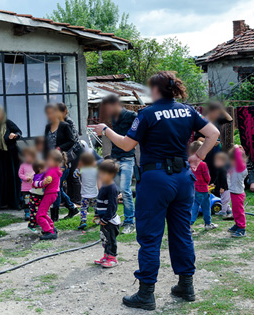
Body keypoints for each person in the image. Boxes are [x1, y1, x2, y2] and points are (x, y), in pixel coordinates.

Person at [90, 71, 219, 310]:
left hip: (156, 179)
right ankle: (186, 285)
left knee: (150, 237)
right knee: (182, 233)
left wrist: (105, 131)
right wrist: (198, 157)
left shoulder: (147, 114)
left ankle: (146, 293)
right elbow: (214, 133)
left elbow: (127, 144)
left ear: (156, 90)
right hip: (182, 179)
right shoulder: (187, 110)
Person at [101, 95, 137, 234]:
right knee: (114, 190)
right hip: (115, 157)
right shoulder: (114, 118)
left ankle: (129, 222)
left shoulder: (131, 115)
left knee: (126, 190)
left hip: (128, 158)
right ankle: (114, 218)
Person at [44, 104, 79, 219]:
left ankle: (55, 215)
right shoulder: (48, 126)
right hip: (50, 161)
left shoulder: (65, 125)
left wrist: (59, 148)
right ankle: (71, 208)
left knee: (56, 186)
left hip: (62, 160)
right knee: (55, 187)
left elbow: (72, 141)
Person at [194, 100, 233, 183]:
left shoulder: (217, 120)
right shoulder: (203, 121)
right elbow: (197, 138)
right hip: (207, 148)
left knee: (218, 167)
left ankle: (217, 186)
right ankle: (208, 184)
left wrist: (221, 109)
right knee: (208, 167)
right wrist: (211, 140)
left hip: (217, 149)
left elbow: (230, 119)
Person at [93, 160, 121, 268]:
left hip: (109, 220)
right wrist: (97, 214)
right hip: (103, 219)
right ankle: (106, 256)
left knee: (111, 239)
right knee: (104, 238)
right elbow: (99, 202)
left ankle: (112, 257)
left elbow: (112, 206)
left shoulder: (112, 188)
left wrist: (105, 219)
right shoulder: (104, 186)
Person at [57, 102, 84, 206]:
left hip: (75, 152)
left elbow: (73, 140)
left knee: (74, 175)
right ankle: (69, 200)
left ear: (65, 112)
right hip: (64, 153)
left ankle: (77, 200)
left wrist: (61, 149)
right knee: (66, 177)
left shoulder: (69, 122)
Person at [34, 150, 65, 241]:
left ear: (55, 162)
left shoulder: (51, 171)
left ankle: (49, 232)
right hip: (53, 194)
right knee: (43, 212)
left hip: (50, 194)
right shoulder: (55, 169)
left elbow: (44, 183)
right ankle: (51, 227)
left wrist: (36, 183)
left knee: (39, 215)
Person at [189, 141, 217, 231]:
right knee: (206, 207)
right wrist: (208, 183)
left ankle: (189, 225)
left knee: (194, 207)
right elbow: (207, 178)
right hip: (203, 190)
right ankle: (208, 224)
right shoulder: (202, 164)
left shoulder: (189, 163)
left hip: (193, 189)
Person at [73, 152, 99, 230]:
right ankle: (98, 219)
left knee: (84, 208)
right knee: (96, 207)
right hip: (95, 193)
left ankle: (83, 221)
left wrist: (78, 167)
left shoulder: (82, 170)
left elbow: (74, 175)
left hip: (85, 194)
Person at [227, 145, 248, 238]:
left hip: (238, 193)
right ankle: (237, 224)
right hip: (234, 192)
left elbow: (239, 158)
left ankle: (242, 229)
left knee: (239, 211)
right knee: (235, 211)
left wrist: (236, 149)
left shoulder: (241, 168)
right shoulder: (235, 167)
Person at [28, 160, 47, 234]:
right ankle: (31, 226)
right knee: (34, 212)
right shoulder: (37, 176)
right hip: (35, 197)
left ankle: (37, 223)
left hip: (39, 196)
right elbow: (36, 184)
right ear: (40, 168)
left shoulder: (42, 174)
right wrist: (43, 182)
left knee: (39, 211)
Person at [18, 147, 36, 220]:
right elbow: (20, 174)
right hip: (25, 188)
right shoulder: (23, 165)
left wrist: (34, 177)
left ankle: (34, 213)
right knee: (26, 201)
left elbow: (39, 173)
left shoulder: (36, 165)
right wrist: (25, 178)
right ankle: (27, 213)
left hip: (34, 187)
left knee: (34, 201)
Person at [213, 152, 232, 218]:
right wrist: (214, 183)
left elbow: (224, 179)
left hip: (226, 188)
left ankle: (223, 212)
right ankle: (229, 210)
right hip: (224, 188)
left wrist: (222, 187)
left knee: (224, 200)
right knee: (225, 199)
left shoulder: (223, 169)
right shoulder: (220, 168)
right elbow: (218, 177)